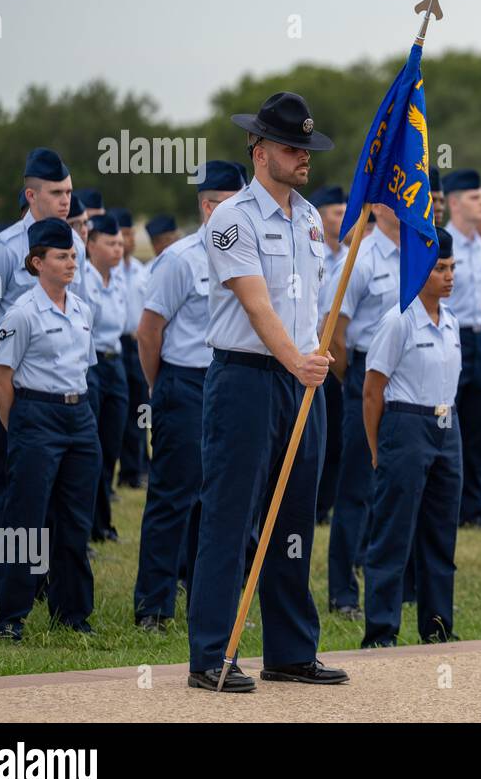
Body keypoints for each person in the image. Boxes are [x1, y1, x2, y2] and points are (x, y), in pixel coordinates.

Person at [186, 91, 348, 693]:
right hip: (247, 380)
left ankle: (289, 651)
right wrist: (298, 361)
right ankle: (211, 654)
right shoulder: (233, 219)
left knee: (296, 517)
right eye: (290, 146)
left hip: (301, 380)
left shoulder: (309, 218)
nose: (303, 155)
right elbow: (255, 305)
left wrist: (311, 359)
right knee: (232, 516)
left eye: (306, 146)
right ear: (259, 152)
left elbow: (307, 304)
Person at [0, 148, 87, 608]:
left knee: (48, 495)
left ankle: (37, 580)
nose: (65, 200)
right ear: (31, 193)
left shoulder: (68, 245)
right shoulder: (5, 249)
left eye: (70, 192)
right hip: (13, 390)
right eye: (56, 193)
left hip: (56, 399)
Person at [133, 161, 245, 631]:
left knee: (220, 500)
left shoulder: (248, 255)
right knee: (172, 496)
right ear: (206, 206)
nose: (236, 212)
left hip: (230, 381)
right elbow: (149, 331)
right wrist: (165, 389)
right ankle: (154, 607)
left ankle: (209, 602)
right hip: (184, 382)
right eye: (226, 204)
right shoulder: (179, 260)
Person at [0, 218, 100, 641]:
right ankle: (10, 616)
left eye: (73, 255)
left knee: (75, 520)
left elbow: (85, 368)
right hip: (36, 414)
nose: (71, 262)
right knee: (25, 520)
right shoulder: (21, 314)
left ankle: (72, 613)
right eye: (61, 256)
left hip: (79, 416)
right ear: (37, 262)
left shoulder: (82, 310)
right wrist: (18, 428)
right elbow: (0, 379)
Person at [360, 228, 463, 647]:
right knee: (393, 533)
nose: (450, 276)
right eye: (441, 268)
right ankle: (381, 631)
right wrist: (375, 447)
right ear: (419, 270)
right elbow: (372, 389)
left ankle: (438, 626)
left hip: (445, 427)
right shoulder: (398, 319)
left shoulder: (452, 322)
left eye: (453, 267)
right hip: (405, 426)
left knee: (440, 533)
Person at [324, 200, 401, 617]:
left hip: (409, 380)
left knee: (397, 485)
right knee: (356, 487)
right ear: (380, 207)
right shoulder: (362, 256)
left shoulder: (419, 253)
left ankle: (392, 582)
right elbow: (334, 330)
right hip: (366, 375)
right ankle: (343, 592)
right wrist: (356, 380)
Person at [441, 169, 481, 530]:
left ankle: (473, 508)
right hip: (450, 338)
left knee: (480, 425)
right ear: (456, 202)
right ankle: (448, 502)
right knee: (447, 423)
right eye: (475, 197)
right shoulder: (443, 246)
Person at [82, 213, 128, 543]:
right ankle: (90, 524)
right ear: (91, 244)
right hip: (91, 363)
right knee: (91, 448)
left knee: (111, 444)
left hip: (116, 362)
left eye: (120, 243)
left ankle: (102, 522)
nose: (118, 248)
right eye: (110, 243)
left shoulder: (120, 279)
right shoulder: (83, 279)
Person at [308, 185, 349, 527]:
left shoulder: (349, 255)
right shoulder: (313, 250)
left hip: (337, 353)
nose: (344, 216)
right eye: (337, 212)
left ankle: (329, 502)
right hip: (313, 351)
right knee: (318, 435)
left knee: (337, 435)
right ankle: (316, 502)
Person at [108, 207, 150, 490]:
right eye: (123, 235)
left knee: (139, 407)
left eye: (131, 234)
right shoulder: (108, 272)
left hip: (137, 343)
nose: (128, 240)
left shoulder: (139, 269)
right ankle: (121, 469)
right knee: (117, 412)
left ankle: (136, 468)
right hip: (115, 344)